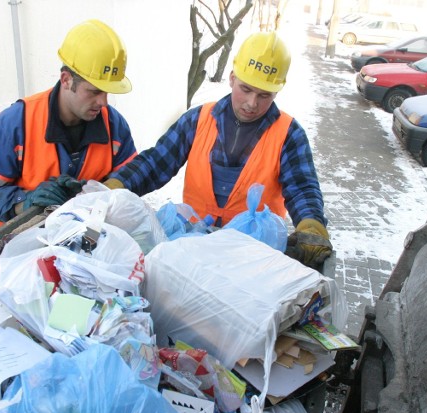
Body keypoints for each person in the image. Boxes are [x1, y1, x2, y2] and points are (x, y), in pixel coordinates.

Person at [104, 31, 332, 267]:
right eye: (246, 89)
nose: (252, 103)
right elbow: (155, 163)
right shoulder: (198, 120)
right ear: (232, 78)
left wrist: (311, 225)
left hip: (253, 258)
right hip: (194, 248)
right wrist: (114, 186)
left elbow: (302, 187)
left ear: (277, 92)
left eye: (264, 95)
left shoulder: (288, 134)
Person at [0, 19, 137, 229]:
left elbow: (129, 181)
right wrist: (24, 203)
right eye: (95, 91)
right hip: (20, 245)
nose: (103, 102)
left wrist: (97, 193)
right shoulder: (15, 124)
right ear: (66, 79)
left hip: (85, 242)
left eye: (107, 92)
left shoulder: (114, 126)